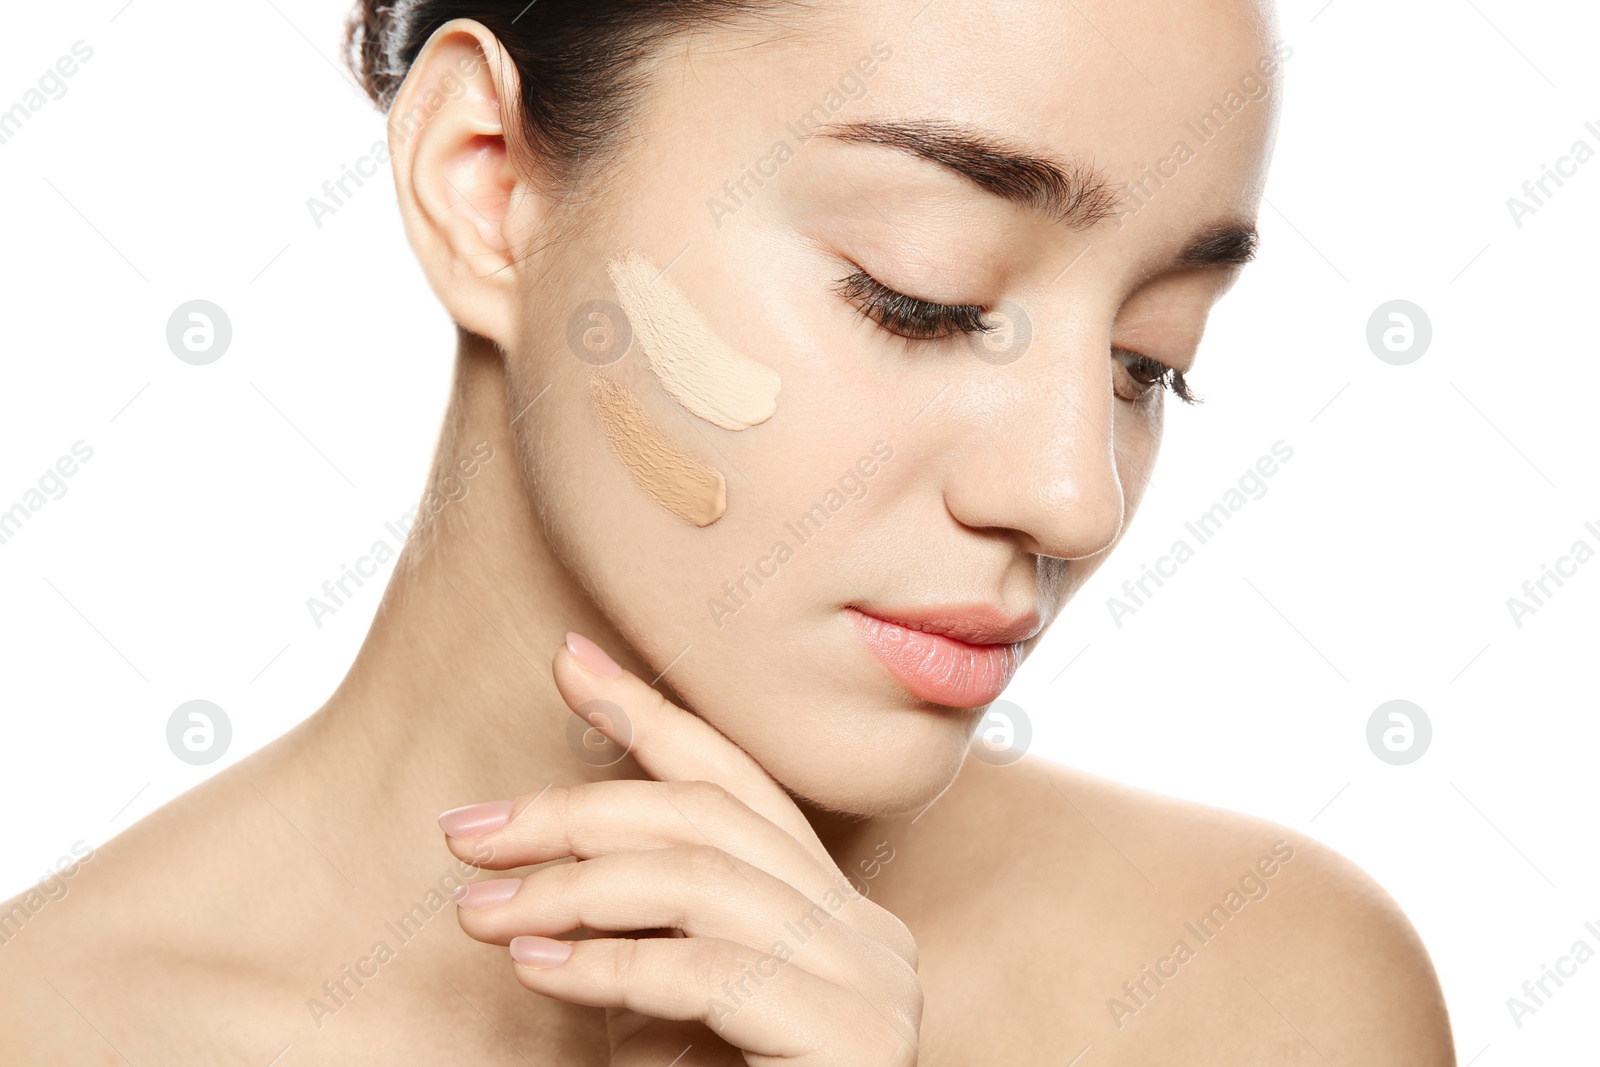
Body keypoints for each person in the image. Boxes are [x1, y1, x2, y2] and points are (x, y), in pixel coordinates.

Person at [0, 0, 1456, 1062]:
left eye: (1150, 358)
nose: (1078, 496)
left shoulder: (1270, 998)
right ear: (488, 182)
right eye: (921, 296)